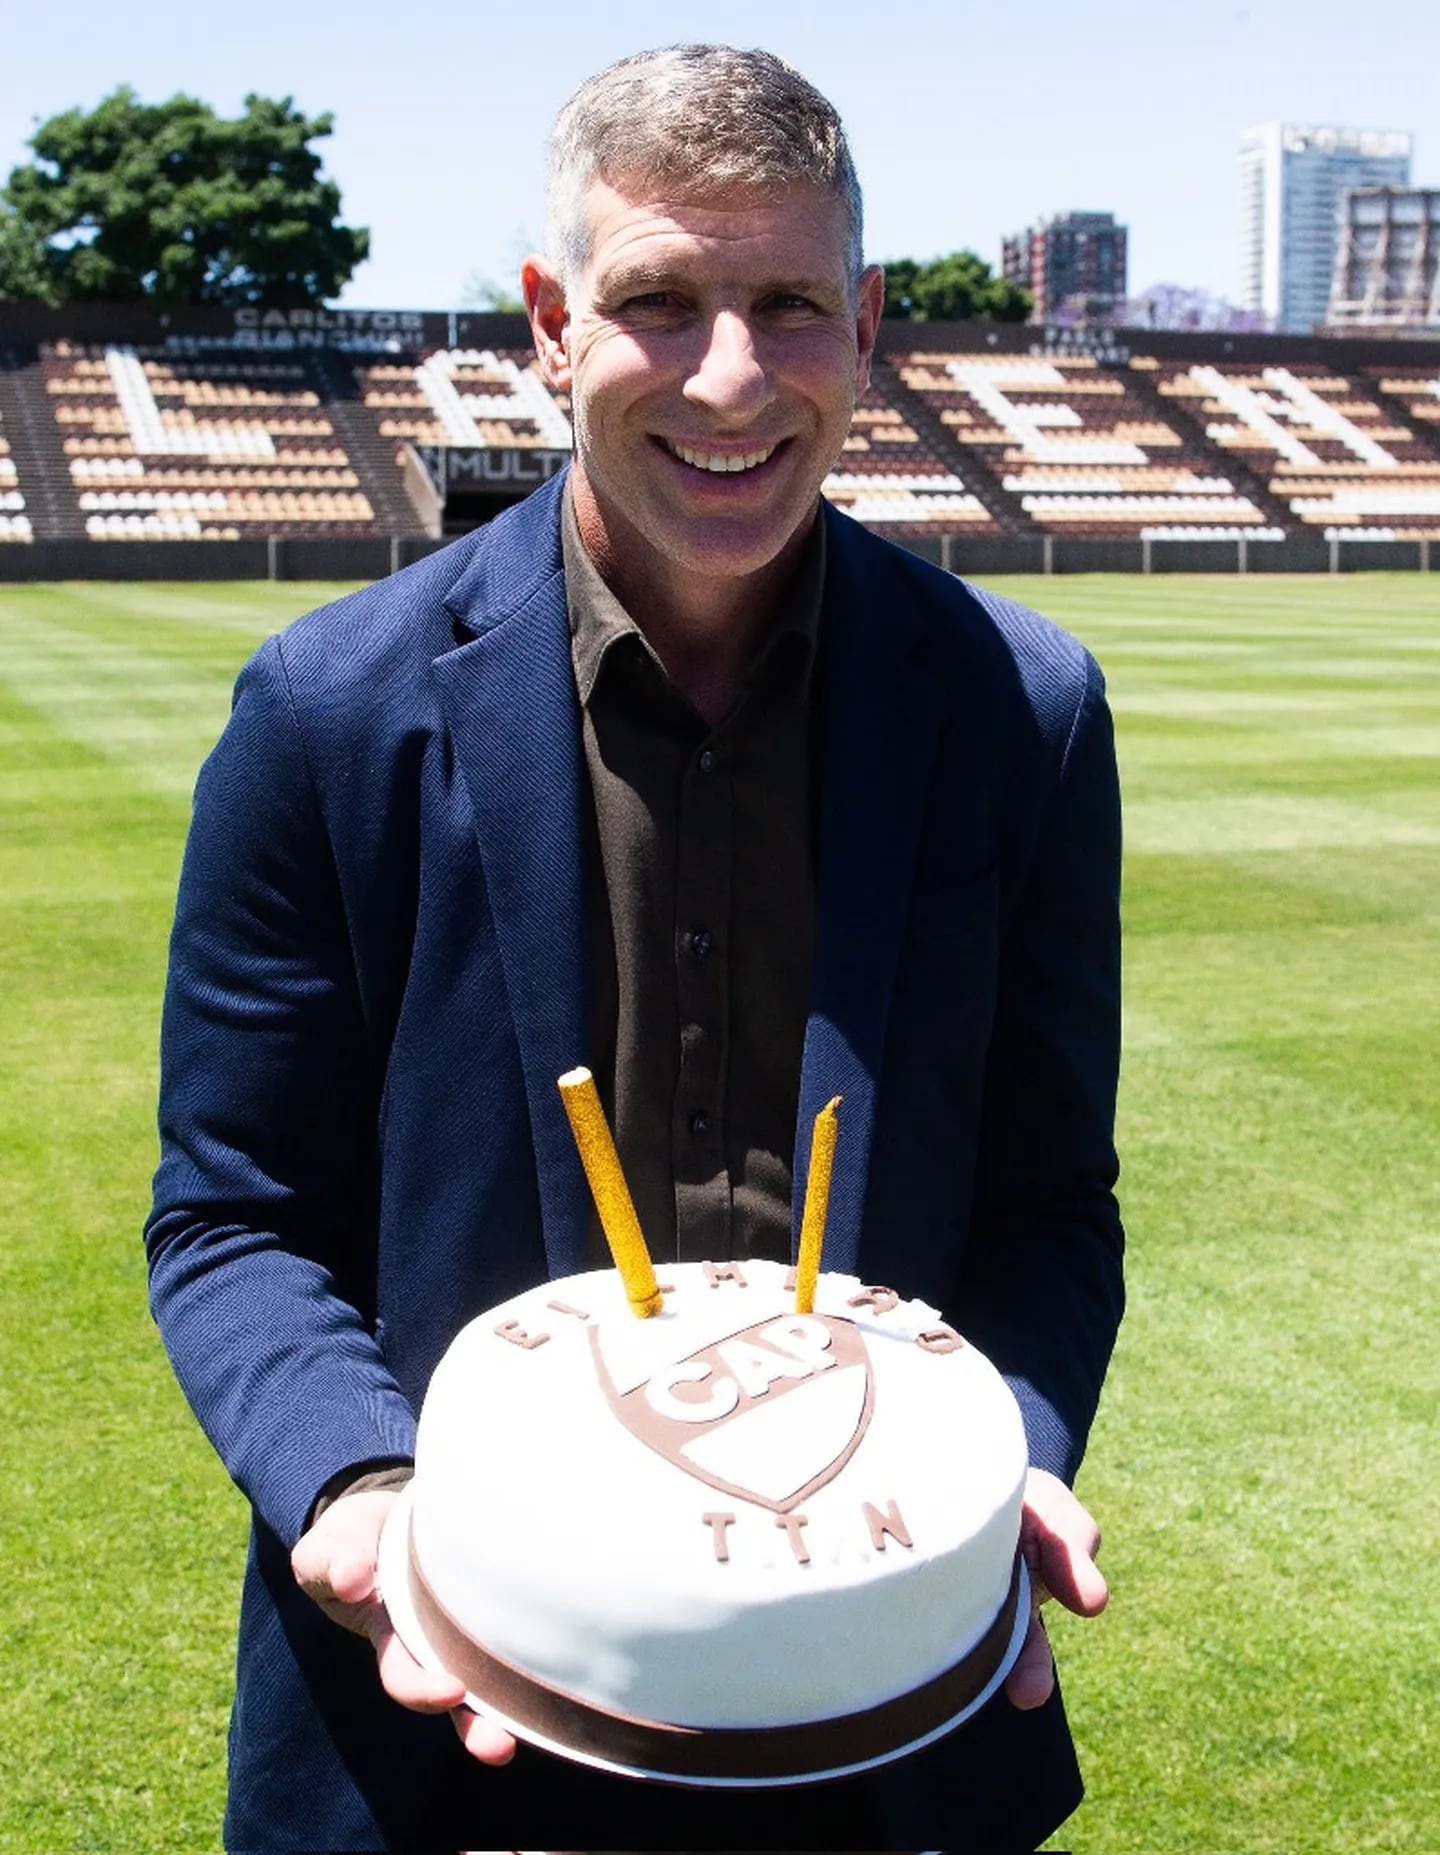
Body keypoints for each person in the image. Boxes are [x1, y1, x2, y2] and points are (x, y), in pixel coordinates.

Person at [146, 43, 1124, 1855]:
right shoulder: (326, 716)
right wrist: (361, 1487)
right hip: (433, 1723)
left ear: (869, 323)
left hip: (885, 1720)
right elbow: (233, 1214)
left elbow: (1052, 1209)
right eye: (660, 302)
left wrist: (1012, 1459)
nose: (733, 377)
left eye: (789, 306)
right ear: (550, 323)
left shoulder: (1024, 712)